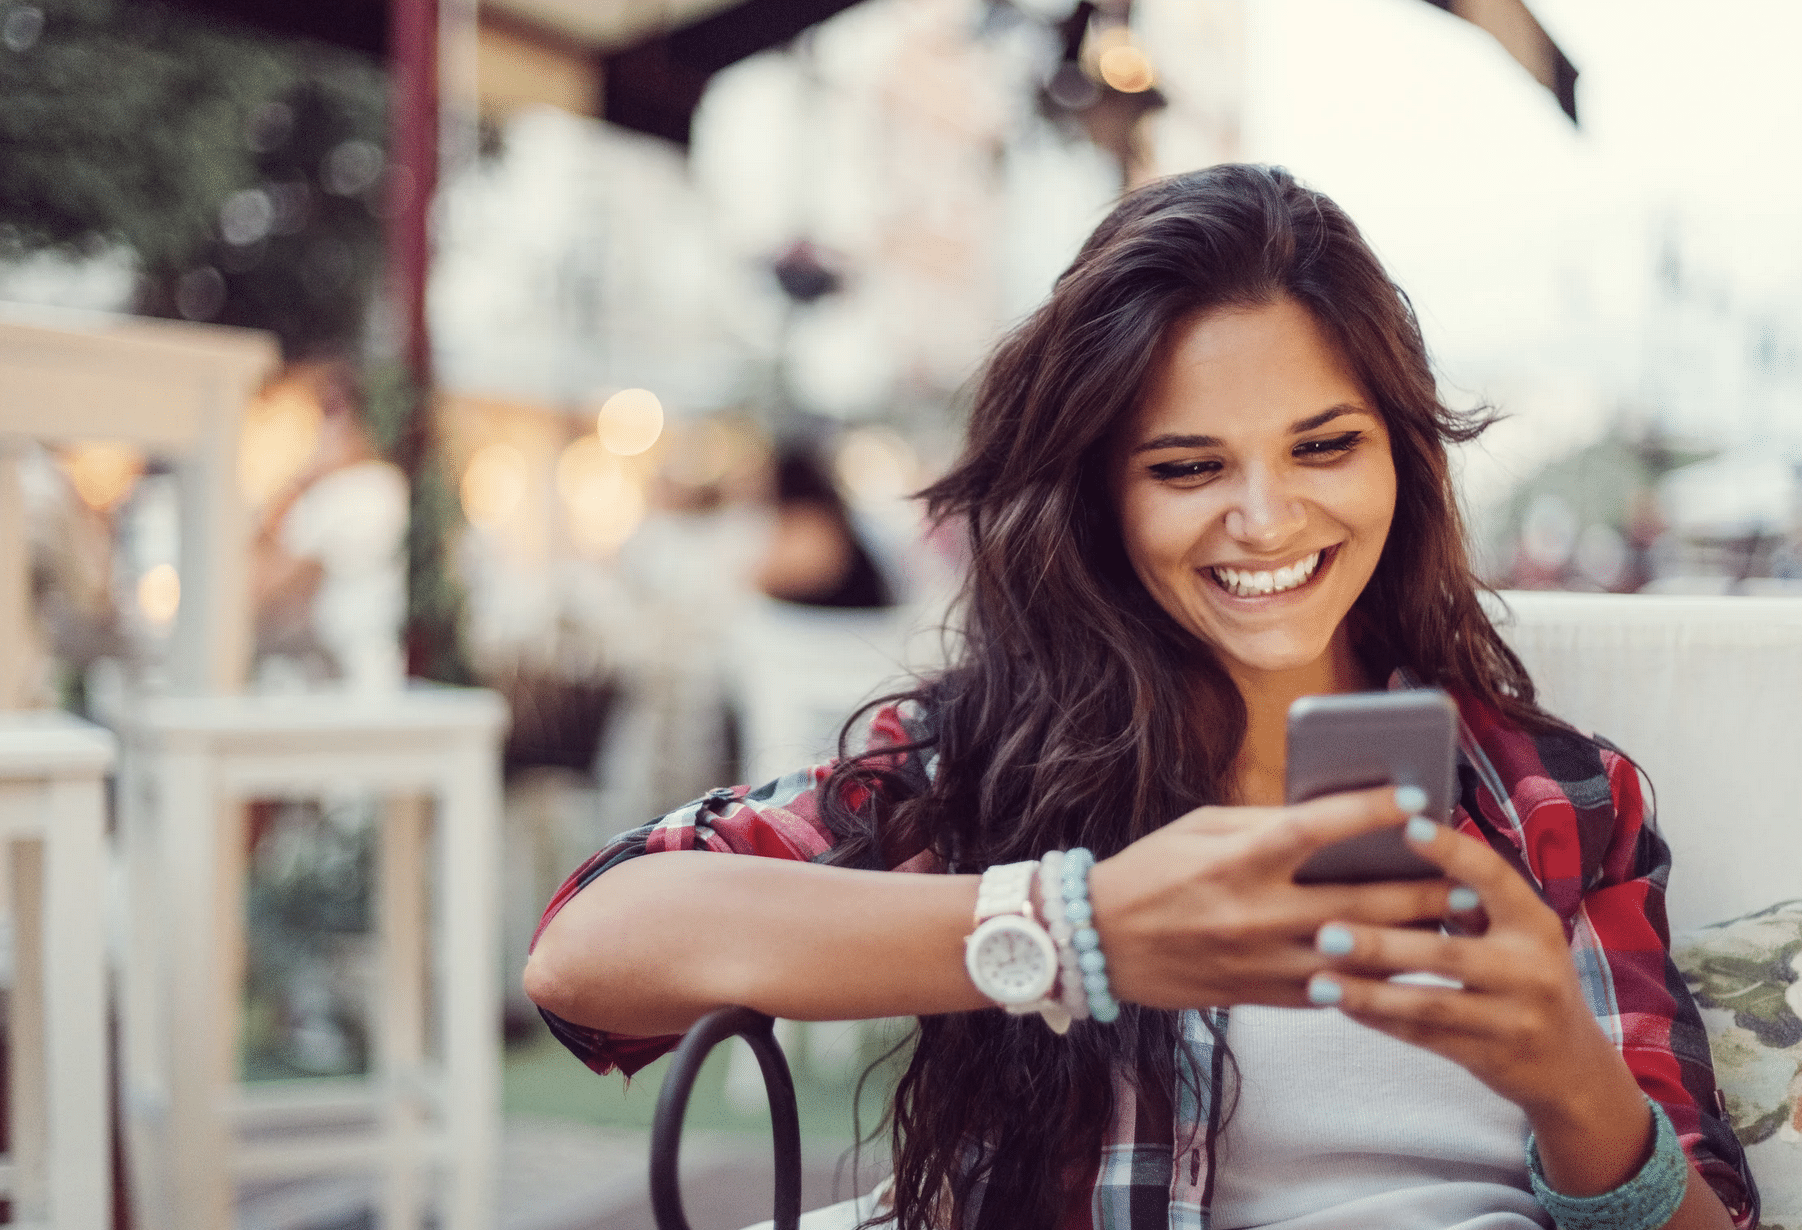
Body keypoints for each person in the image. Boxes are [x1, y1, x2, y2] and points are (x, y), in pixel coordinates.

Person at [524, 165, 1756, 1230]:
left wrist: (1571, 1083)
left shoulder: (1566, 799)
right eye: (1185, 467)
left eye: (1324, 446)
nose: (1267, 518)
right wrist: (1069, 929)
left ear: (1401, 456)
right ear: (1099, 497)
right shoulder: (988, 766)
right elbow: (586, 955)